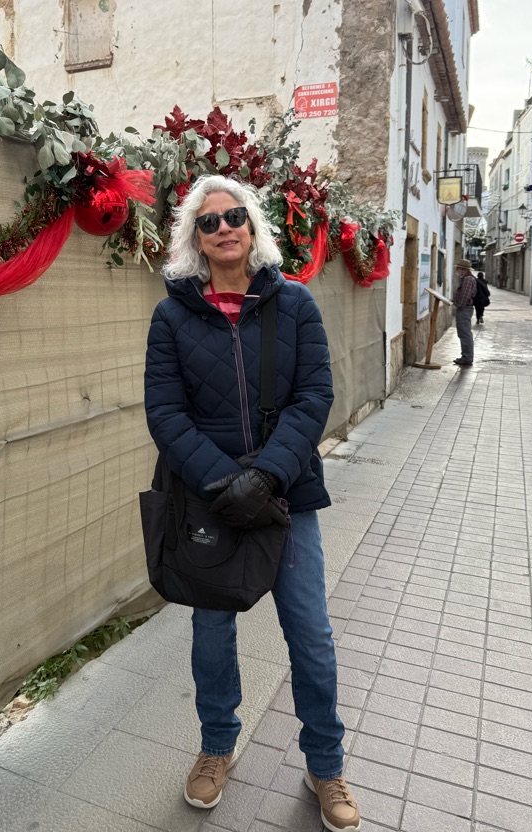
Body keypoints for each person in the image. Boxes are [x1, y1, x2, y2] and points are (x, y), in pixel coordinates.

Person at [144, 174, 360, 832]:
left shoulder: (294, 304)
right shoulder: (171, 316)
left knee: (311, 635)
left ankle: (325, 765)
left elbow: (314, 396)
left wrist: (265, 476)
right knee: (212, 634)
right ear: (195, 238)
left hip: (285, 496)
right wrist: (223, 483)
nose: (224, 228)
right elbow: (165, 412)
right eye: (208, 221)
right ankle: (217, 747)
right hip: (208, 502)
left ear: (252, 225)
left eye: (234, 215)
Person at [453, 258, 477, 366]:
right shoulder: (467, 278)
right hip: (465, 308)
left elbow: (465, 296)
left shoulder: (467, 279)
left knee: (464, 333)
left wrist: (459, 306)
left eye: (458, 268)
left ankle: (467, 357)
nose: (457, 271)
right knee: (464, 333)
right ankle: (466, 356)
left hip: (464, 309)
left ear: (463, 269)